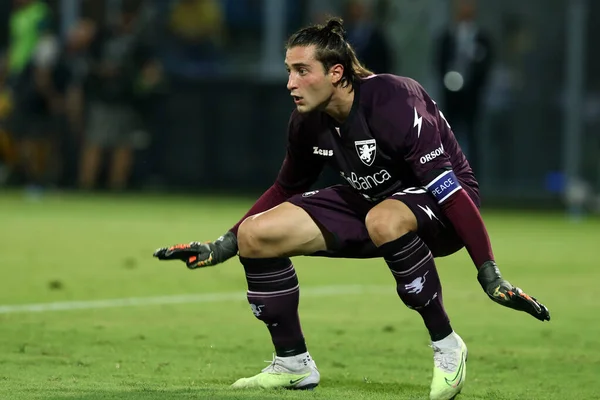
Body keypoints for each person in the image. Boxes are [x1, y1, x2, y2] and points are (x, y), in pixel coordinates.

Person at [153, 17, 549, 400]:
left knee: (385, 218)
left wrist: (489, 272)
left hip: (442, 206)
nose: (291, 83)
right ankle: (293, 363)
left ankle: (447, 345)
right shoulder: (306, 121)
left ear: (337, 73)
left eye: (302, 71)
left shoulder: (395, 100)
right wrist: (224, 244)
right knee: (255, 234)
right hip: (370, 200)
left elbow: (449, 191)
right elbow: (286, 187)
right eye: (289, 70)